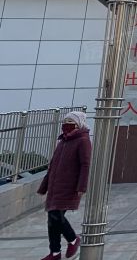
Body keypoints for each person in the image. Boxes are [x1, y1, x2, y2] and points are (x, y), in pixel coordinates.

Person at [38, 111, 91, 260]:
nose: (66, 125)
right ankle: (55, 252)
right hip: (55, 186)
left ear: (79, 124)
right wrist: (44, 186)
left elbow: (85, 165)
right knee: (52, 219)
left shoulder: (83, 140)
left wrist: (81, 186)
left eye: (70, 122)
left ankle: (73, 239)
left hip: (69, 187)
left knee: (56, 216)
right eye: (65, 122)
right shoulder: (63, 141)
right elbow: (52, 166)